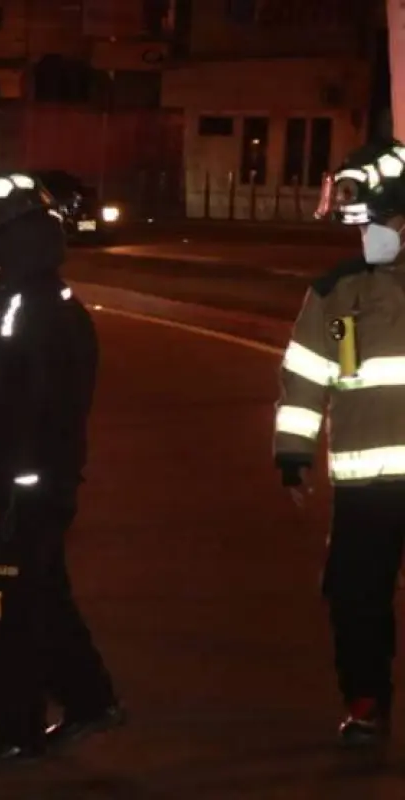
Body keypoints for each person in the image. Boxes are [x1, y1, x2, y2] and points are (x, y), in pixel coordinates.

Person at [0, 170, 123, 765]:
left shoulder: (27, 315)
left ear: (7, 245)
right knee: (44, 597)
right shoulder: (45, 304)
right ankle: (90, 700)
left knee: (4, 613)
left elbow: (22, 416)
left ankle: (15, 732)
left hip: (18, 493)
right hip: (42, 487)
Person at [275, 138, 405, 746]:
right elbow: (310, 375)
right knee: (356, 600)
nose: (369, 233)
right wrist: (293, 453)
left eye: (378, 221)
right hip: (365, 488)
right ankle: (365, 701)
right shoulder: (338, 294)